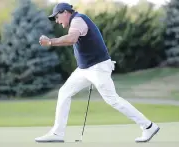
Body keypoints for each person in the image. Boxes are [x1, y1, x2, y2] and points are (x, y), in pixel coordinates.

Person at [36, 2, 160, 143]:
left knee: (113, 100)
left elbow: (71, 39)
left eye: (57, 17)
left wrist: (50, 42)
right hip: (85, 69)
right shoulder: (75, 22)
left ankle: (148, 126)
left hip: (97, 68)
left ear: (65, 12)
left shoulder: (78, 20)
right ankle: (57, 133)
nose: (57, 21)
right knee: (64, 92)